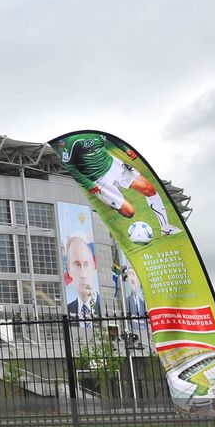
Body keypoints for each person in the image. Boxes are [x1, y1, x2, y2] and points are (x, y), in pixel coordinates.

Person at [53, 133, 181, 236]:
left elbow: (112, 137)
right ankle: (111, 203)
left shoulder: (99, 130)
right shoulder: (73, 140)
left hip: (113, 165)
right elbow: (70, 166)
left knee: (149, 189)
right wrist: (88, 184)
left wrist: (126, 149)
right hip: (98, 178)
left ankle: (165, 228)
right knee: (129, 212)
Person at [64, 235, 100, 322]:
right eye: (77, 265)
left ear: (93, 265)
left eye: (86, 264)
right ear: (69, 269)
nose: (83, 275)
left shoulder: (105, 308)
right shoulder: (68, 310)